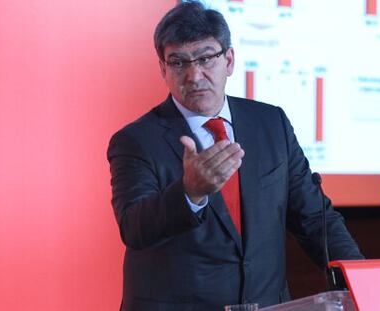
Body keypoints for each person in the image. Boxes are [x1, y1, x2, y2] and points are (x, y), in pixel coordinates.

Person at [107, 1, 363, 310]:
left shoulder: (271, 124)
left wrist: (363, 281)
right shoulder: (136, 140)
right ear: (163, 68)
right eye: (178, 63)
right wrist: (189, 193)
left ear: (229, 60)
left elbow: (313, 219)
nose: (194, 75)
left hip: (268, 303)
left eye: (205, 58)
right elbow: (134, 228)